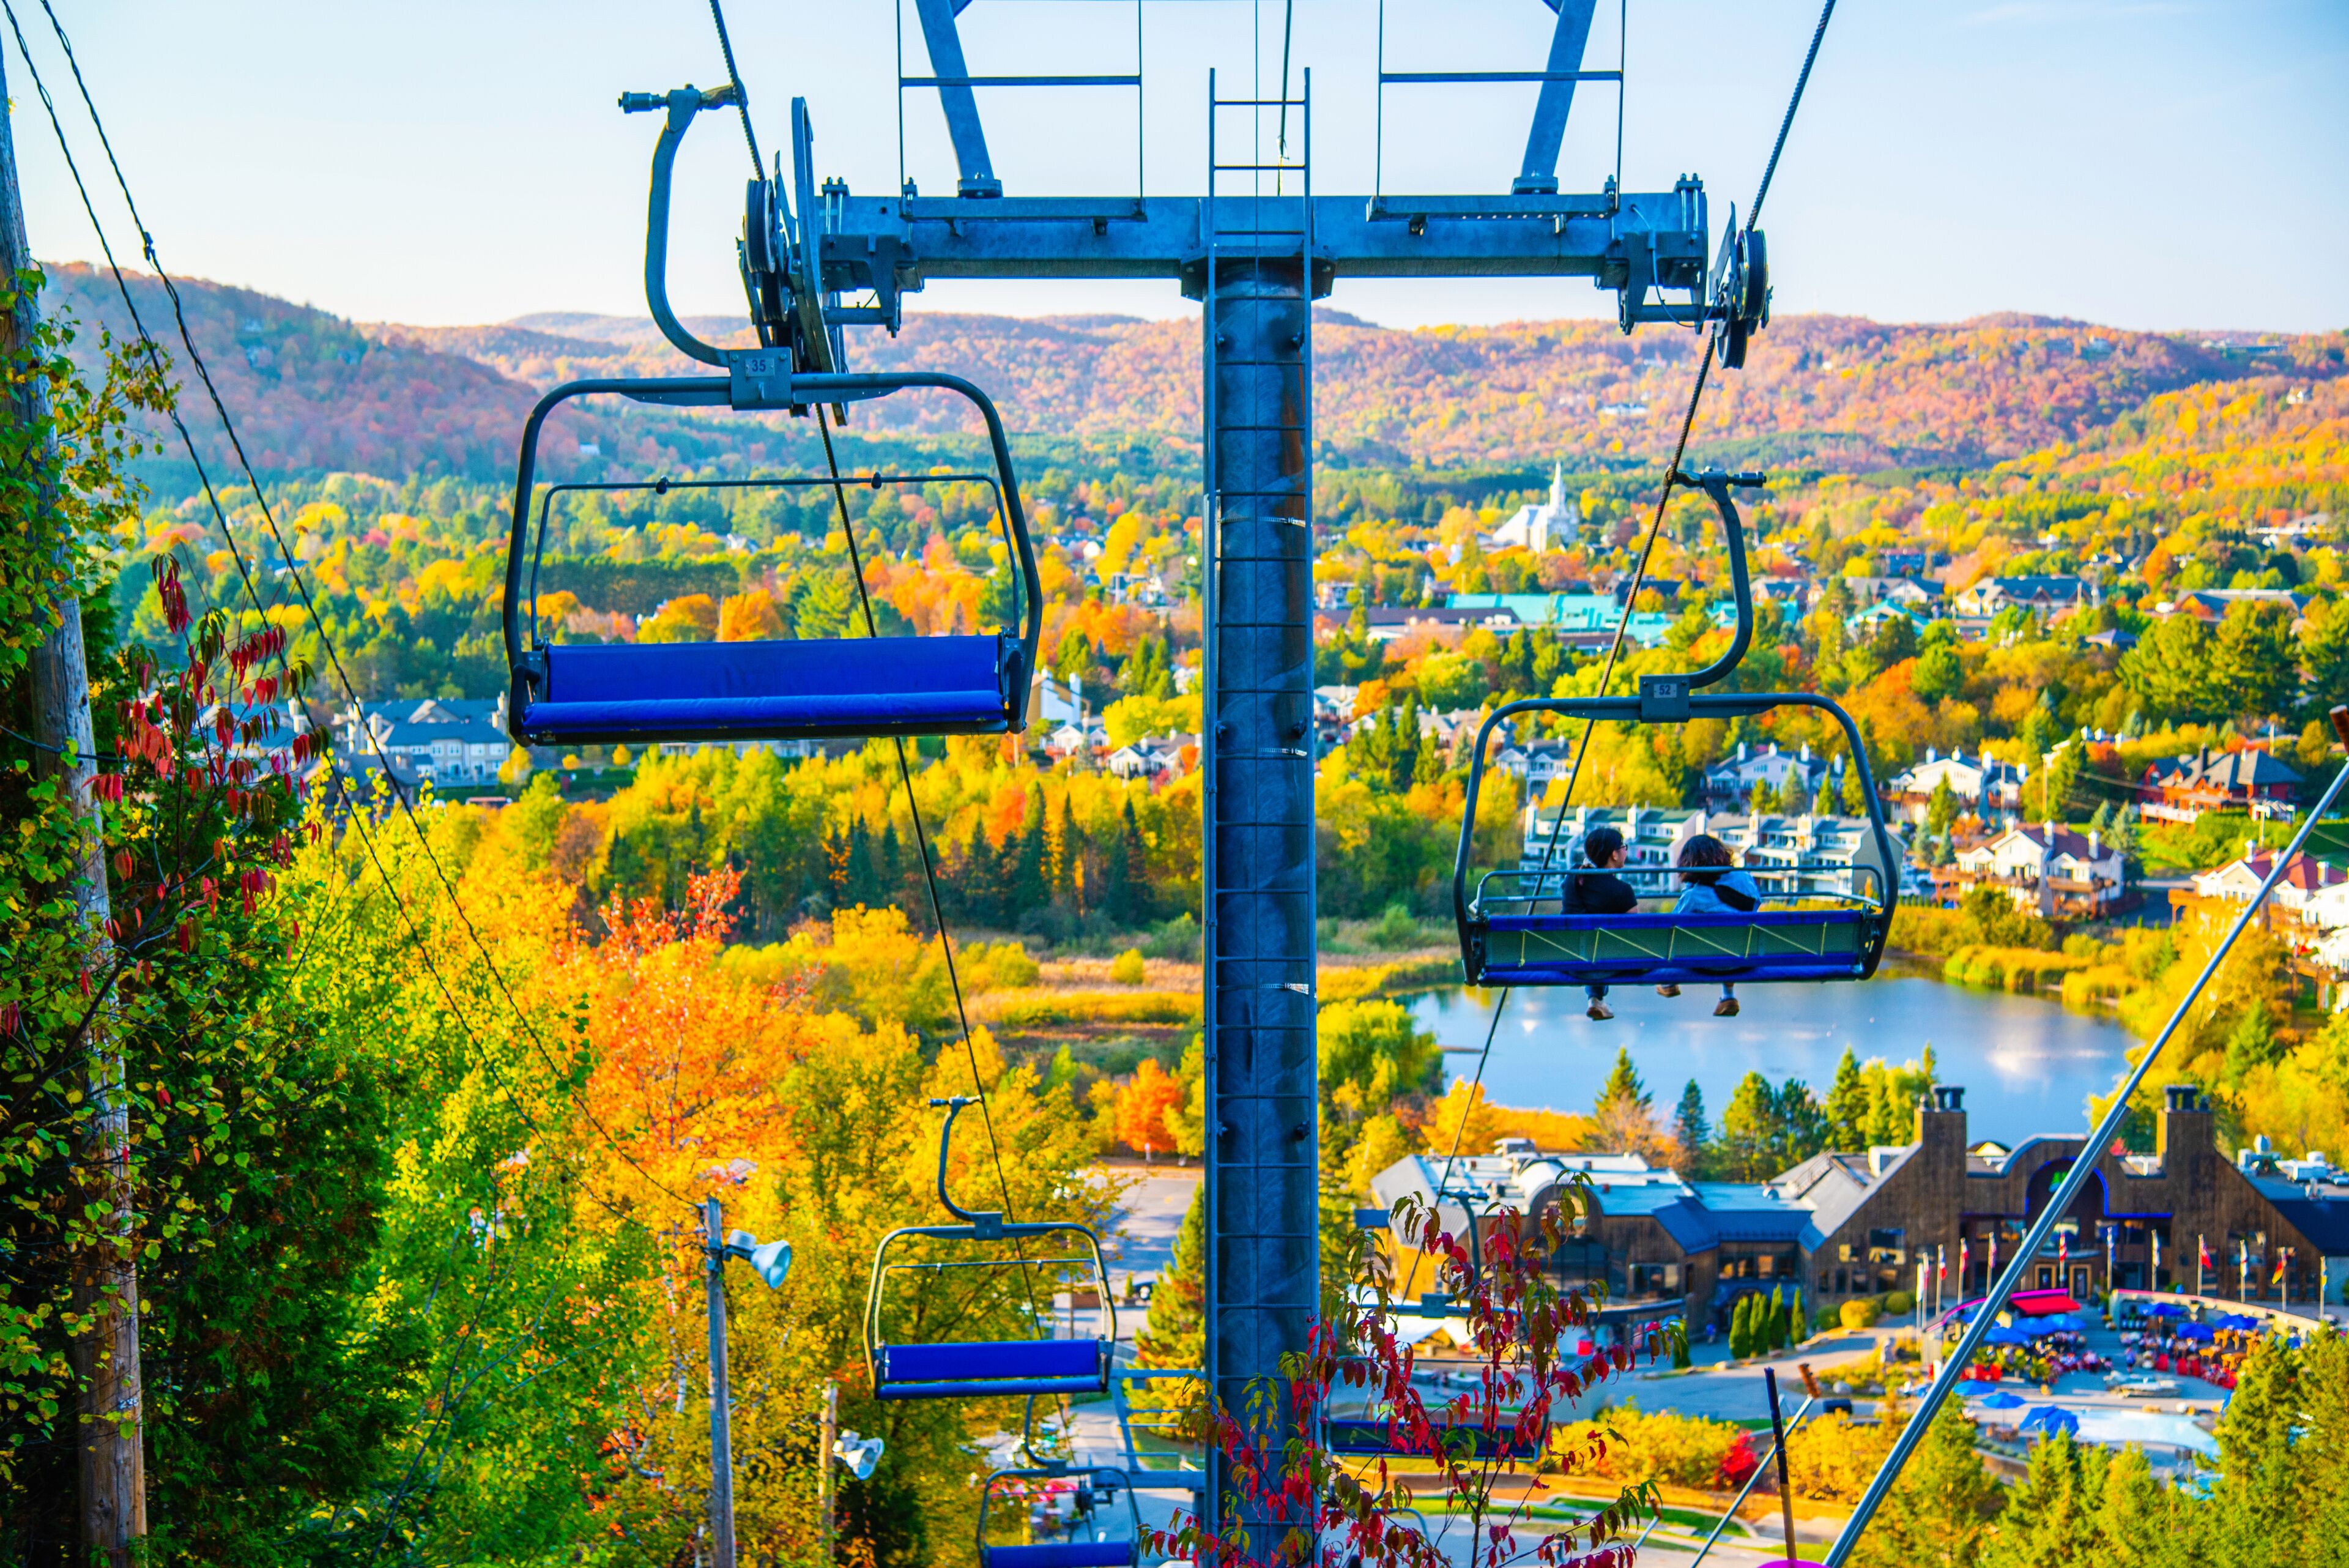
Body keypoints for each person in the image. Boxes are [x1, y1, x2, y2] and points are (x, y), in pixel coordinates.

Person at [1656, 833, 1759, 1017]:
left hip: (1705, 963)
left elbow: (1673, 925)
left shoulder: (1693, 896)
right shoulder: (1744, 878)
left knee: (1678, 935)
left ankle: (1668, 981)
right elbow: (1755, 905)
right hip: (1744, 959)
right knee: (1731, 939)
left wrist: (1690, 889)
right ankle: (1728, 996)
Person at [1563, 825, 1638, 1020]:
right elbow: (1636, 933)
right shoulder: (1623, 891)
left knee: (1592, 943)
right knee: (1605, 947)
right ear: (1614, 855)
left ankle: (1595, 1000)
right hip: (1605, 964)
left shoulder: (1574, 876)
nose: (1626, 851)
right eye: (1624, 847)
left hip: (1569, 959)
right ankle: (1667, 982)